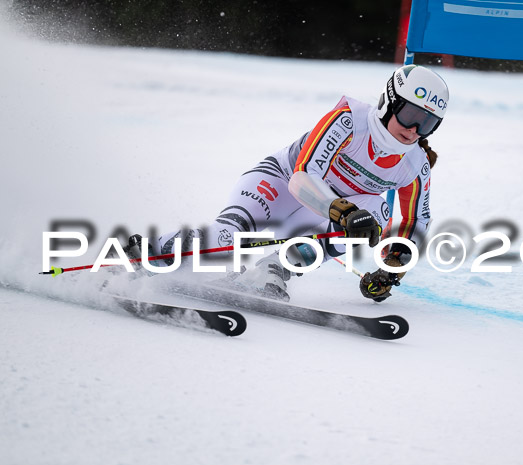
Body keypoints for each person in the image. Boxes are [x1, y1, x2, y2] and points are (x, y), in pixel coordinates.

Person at [128, 64, 448, 302]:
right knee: (227, 237)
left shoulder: (415, 165)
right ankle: (155, 251)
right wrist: (343, 211)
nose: (413, 130)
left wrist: (393, 267)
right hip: (281, 182)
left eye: (428, 123)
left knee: (376, 211)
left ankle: (276, 269)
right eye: (409, 115)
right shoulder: (350, 119)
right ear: (390, 102)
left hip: (323, 215)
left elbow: (417, 220)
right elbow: (302, 179)